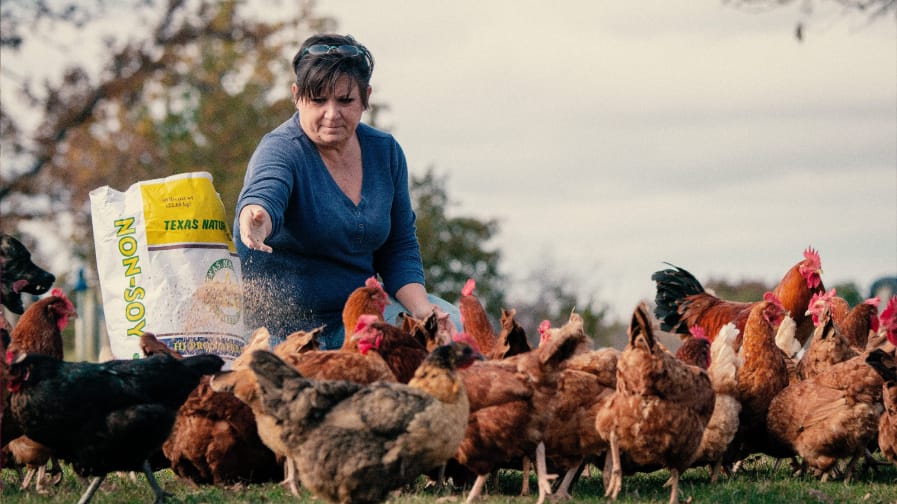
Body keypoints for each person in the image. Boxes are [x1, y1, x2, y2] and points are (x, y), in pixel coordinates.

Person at [234, 33, 461, 349]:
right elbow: (265, 190)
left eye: (345, 100)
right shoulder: (280, 150)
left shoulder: (386, 152)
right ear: (297, 96)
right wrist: (257, 217)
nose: (331, 114)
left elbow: (398, 246)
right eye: (318, 100)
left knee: (454, 324)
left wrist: (424, 311)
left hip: (359, 321)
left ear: (366, 97)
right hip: (286, 334)